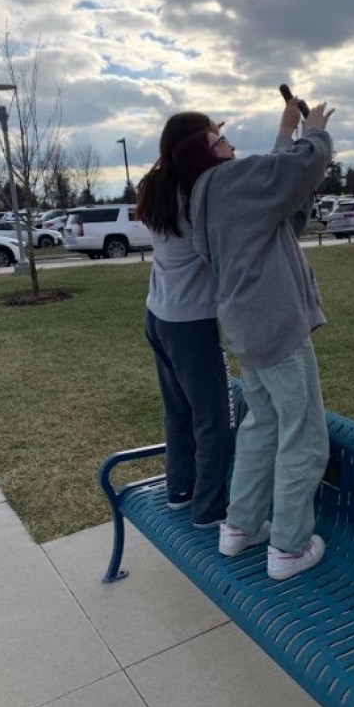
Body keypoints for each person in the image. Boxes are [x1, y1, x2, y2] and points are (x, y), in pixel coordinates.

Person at [188, 97, 335, 580]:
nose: (228, 140)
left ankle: (239, 527)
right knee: (304, 435)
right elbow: (297, 172)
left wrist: (286, 135)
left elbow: (280, 202)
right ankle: (288, 548)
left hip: (245, 329)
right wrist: (307, 131)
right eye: (219, 138)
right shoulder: (231, 181)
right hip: (274, 327)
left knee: (262, 427)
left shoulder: (203, 193)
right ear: (205, 153)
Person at [136, 112, 236, 529]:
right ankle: (210, 510)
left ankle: (180, 491)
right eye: (215, 138)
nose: (222, 142)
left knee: (178, 410)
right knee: (214, 418)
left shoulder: (156, 185)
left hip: (157, 314)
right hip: (190, 322)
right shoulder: (199, 195)